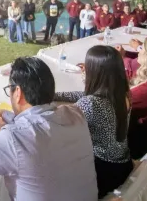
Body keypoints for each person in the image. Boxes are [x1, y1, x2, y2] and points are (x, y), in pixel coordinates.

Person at [0, 57, 98, 201]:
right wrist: (4, 114)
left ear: (18, 92)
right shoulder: (76, 114)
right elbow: (41, 125)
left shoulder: (12, 137)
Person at [54, 46, 133, 198]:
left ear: (95, 72)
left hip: (102, 172)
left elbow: (58, 123)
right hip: (122, 164)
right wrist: (55, 95)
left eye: (87, 67)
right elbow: (85, 94)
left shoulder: (91, 103)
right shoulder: (123, 93)